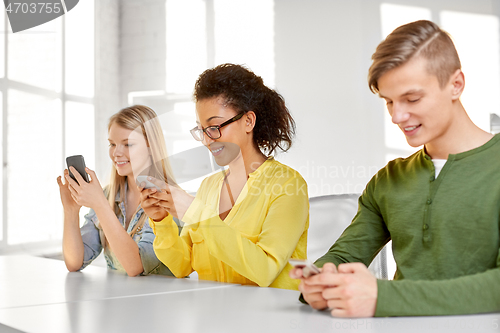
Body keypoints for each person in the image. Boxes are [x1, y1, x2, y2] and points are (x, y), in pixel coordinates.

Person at [291, 20, 500, 317]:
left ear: (456, 84)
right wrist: (322, 280)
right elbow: (344, 256)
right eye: (389, 101)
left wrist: (383, 297)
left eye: (411, 98)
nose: (397, 116)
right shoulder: (389, 180)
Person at [139, 63, 309, 290]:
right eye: (201, 130)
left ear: (248, 121)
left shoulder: (288, 185)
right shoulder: (209, 186)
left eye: (215, 126)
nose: (208, 140)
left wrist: (197, 213)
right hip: (215, 318)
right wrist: (162, 221)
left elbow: (266, 270)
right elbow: (182, 266)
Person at [57, 105, 178, 277]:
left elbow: (136, 266)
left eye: (127, 144)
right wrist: (70, 211)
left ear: (151, 146)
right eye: (112, 144)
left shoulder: (169, 199)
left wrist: (100, 205)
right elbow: (74, 262)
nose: (116, 153)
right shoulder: (108, 196)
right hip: (120, 301)